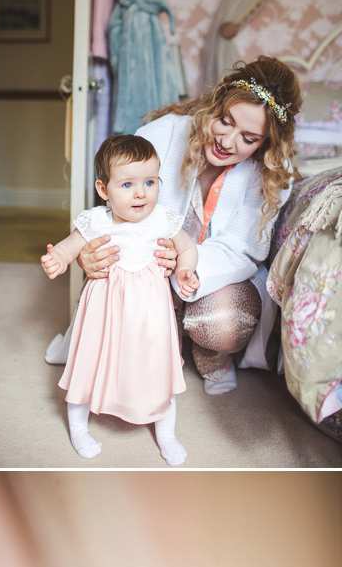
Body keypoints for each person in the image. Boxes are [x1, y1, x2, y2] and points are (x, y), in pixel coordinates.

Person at [48, 56, 302, 396]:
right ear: (217, 103)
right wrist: (87, 256)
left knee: (222, 325)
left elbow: (244, 250)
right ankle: (154, 341)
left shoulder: (270, 174)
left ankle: (210, 355)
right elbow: (116, 210)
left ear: (266, 143)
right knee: (113, 317)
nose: (227, 141)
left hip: (211, 275)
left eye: (249, 138)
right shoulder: (162, 134)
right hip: (144, 266)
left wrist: (187, 263)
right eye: (225, 121)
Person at [41, 134, 199, 464]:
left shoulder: (164, 219)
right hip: (105, 314)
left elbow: (188, 248)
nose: (141, 193)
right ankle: (79, 426)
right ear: (104, 190)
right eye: (127, 185)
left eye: (150, 182)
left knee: (158, 369)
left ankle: (167, 433)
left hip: (152, 317)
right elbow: (70, 247)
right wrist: (58, 258)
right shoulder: (96, 220)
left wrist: (185, 270)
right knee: (90, 364)